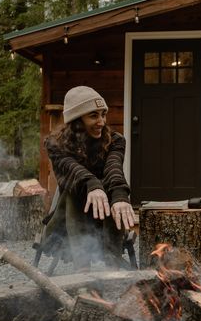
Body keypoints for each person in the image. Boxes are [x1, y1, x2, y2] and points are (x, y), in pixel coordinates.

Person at [43, 86, 136, 272]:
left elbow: (114, 169)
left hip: (105, 221)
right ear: (77, 120)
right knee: (73, 191)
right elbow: (73, 170)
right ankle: (82, 269)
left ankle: (112, 262)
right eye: (93, 116)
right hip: (67, 223)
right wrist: (93, 185)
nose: (101, 121)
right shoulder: (55, 145)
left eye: (103, 114)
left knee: (110, 192)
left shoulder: (115, 141)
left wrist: (119, 196)